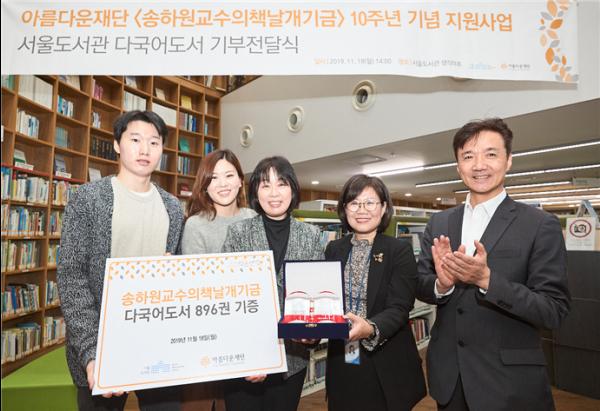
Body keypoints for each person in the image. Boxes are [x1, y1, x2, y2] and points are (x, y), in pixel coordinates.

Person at [416, 118, 570, 410]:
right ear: (458, 166)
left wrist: (487, 280)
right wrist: (441, 284)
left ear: (508, 160)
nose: (479, 165)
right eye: (468, 156)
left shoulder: (540, 225)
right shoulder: (439, 222)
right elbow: (421, 283)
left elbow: (553, 310)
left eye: (490, 154)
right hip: (450, 380)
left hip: (509, 384)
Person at [57, 110, 184, 411]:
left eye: (154, 142)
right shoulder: (87, 199)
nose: (145, 149)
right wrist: (91, 353)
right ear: (117, 144)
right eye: (135, 140)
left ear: (162, 150)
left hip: (157, 344)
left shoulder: (173, 207)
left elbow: (177, 276)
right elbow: (72, 278)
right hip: (102, 344)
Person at [221, 156, 324, 411]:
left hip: (291, 359)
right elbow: (227, 299)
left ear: (293, 189)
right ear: (256, 191)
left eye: (281, 184)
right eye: (265, 185)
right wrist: (250, 356)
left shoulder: (311, 235)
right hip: (245, 361)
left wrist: (312, 333)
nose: (274, 193)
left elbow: (318, 298)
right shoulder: (238, 233)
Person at [325, 174, 426, 411]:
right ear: (345, 209)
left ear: (383, 208)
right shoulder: (334, 249)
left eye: (370, 202)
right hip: (341, 357)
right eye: (354, 203)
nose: (362, 210)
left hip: (385, 360)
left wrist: (369, 328)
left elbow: (400, 307)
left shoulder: (399, 250)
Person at [180, 149, 256, 411]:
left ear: (240, 181)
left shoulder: (254, 219)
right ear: (204, 185)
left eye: (229, 175)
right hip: (207, 333)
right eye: (213, 178)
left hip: (247, 329)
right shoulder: (195, 225)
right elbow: (195, 288)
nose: (222, 184)